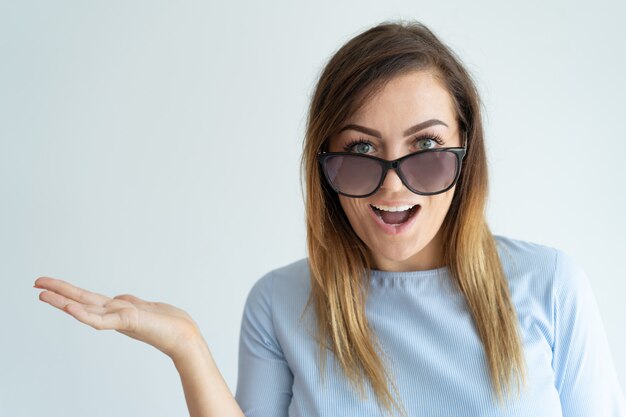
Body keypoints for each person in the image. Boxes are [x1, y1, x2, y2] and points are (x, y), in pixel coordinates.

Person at [33, 20, 625, 417]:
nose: (393, 185)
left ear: (466, 153)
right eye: (361, 151)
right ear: (324, 163)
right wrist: (187, 346)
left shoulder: (551, 285)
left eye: (425, 146)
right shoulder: (280, 303)